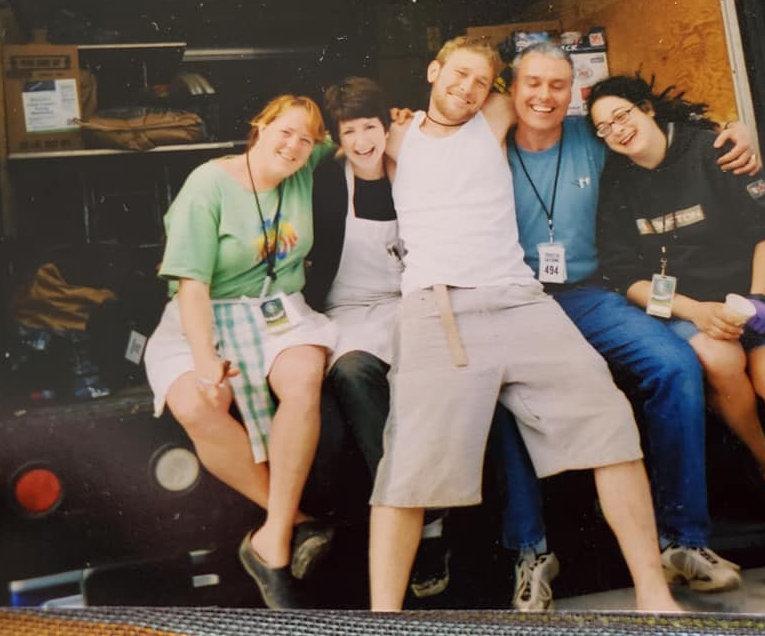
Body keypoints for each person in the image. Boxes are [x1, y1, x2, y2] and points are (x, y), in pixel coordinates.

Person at [367, 35, 679, 612]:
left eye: (481, 82)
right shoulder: (394, 136)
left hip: (520, 300)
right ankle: (381, 620)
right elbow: (326, 151)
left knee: (610, 425)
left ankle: (655, 596)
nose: (467, 89)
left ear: (495, 91)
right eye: (457, 75)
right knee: (407, 467)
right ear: (433, 70)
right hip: (438, 310)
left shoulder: (494, 117)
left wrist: (730, 135)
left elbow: (548, 91)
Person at [493, 42, 754, 610]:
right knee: (506, 392)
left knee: (674, 364)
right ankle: (532, 552)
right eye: (532, 83)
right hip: (517, 300)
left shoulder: (594, 133)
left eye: (558, 85)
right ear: (510, 88)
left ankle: (683, 541)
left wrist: (736, 131)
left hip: (591, 293)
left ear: (573, 92)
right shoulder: (485, 145)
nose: (544, 96)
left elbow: (676, 132)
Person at [588, 74, 765, 601]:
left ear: (647, 108)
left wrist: (760, 301)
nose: (618, 130)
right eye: (605, 128)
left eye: (623, 115)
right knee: (717, 361)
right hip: (690, 306)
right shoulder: (618, 182)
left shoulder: (714, 149)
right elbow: (625, 277)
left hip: (757, 289)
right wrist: (694, 310)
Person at [144, 94, 339, 609]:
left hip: (278, 312)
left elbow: (351, 140)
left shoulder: (305, 162)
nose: (295, 145)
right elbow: (192, 288)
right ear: (260, 126)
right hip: (208, 312)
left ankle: (270, 540)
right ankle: (296, 523)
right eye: (285, 132)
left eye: (306, 138)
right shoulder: (207, 185)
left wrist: (401, 124)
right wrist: (207, 361)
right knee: (198, 402)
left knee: (302, 378)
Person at [304, 76, 450, 600]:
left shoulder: (413, 168)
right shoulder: (324, 177)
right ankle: (421, 519)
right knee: (353, 373)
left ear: (389, 124)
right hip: (348, 310)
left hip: (412, 302)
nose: (363, 141)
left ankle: (429, 524)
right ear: (337, 139)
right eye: (350, 131)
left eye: (372, 126)